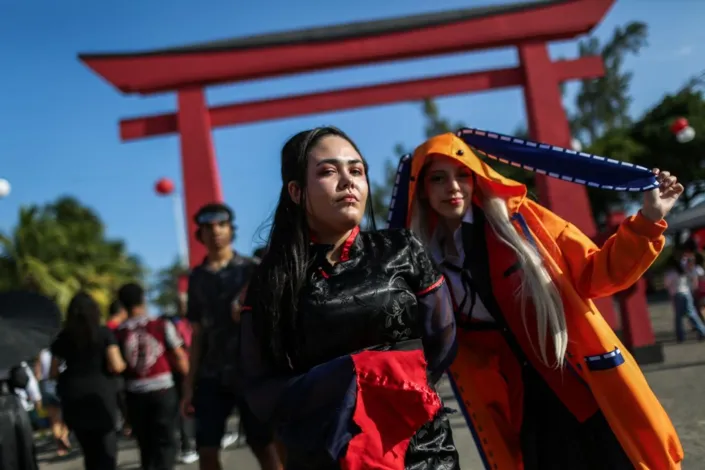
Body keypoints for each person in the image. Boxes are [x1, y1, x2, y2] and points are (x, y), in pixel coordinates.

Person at [400, 132, 684, 469]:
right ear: (422, 189)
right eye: (438, 178)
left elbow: (597, 272)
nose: (453, 187)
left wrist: (648, 222)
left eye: (463, 174)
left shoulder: (522, 221)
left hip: (585, 388)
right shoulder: (419, 263)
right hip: (522, 410)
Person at [239, 127, 459, 469]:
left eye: (356, 170)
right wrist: (351, 377)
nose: (348, 181)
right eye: (329, 171)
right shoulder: (272, 280)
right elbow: (261, 385)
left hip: (419, 447)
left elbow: (441, 339)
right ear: (296, 192)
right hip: (326, 452)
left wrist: (400, 389)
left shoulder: (402, 248)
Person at [180, 202, 281, 470]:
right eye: (208, 227)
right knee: (207, 450)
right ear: (199, 234)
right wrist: (189, 387)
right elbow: (197, 335)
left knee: (265, 447)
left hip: (252, 371)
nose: (215, 232)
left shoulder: (252, 269)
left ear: (231, 230)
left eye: (221, 225)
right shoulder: (196, 278)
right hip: (211, 375)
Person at [114, 282, 189, 470]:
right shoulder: (161, 324)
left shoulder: (119, 333)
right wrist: (189, 383)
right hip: (163, 390)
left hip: (135, 393)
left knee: (145, 445)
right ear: (143, 299)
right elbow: (179, 356)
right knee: (165, 442)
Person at [51, 292, 126, 470]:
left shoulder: (62, 338)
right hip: (101, 396)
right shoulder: (104, 333)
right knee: (106, 451)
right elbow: (116, 365)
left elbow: (52, 372)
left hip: (73, 397)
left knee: (89, 452)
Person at [34, 349, 71, 456]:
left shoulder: (41, 352)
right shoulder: (59, 350)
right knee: (68, 413)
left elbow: (37, 373)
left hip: (45, 385)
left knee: (54, 419)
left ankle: (60, 447)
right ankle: (64, 435)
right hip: (61, 383)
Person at [664, 255, 705, 342]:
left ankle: (681, 336)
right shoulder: (683, 271)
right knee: (692, 314)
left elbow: (666, 284)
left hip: (677, 294)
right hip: (686, 293)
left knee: (678, 317)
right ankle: (702, 331)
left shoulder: (671, 273)